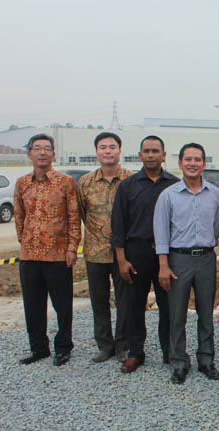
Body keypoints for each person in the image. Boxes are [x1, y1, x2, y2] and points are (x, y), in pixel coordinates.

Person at [154, 143, 219, 385]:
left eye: (197, 159)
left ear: (204, 164)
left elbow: (217, 226)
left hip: (205, 259)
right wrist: (163, 265)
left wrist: (207, 246)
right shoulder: (168, 196)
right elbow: (161, 232)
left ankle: (206, 360)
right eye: (188, 159)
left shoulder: (215, 194)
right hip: (178, 259)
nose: (193, 163)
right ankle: (179, 362)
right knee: (177, 314)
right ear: (180, 163)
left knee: (206, 312)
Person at [111, 135, 179, 373]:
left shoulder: (174, 185)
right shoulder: (127, 186)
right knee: (134, 306)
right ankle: (136, 352)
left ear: (163, 155)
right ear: (140, 155)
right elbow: (118, 225)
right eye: (146, 151)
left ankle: (170, 351)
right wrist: (121, 259)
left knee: (168, 306)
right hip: (135, 252)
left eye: (155, 151)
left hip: (167, 255)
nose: (151, 155)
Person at [14, 133, 81, 366]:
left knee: (62, 305)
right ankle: (38, 348)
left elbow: (74, 217)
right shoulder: (22, 183)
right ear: (29, 153)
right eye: (37, 148)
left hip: (58, 255)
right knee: (32, 304)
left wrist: (72, 248)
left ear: (53, 153)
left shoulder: (65, 182)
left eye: (47, 148)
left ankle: (63, 347)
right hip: (29, 255)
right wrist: (24, 241)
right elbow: (19, 215)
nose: (42, 152)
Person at [77, 132, 134, 364]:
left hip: (124, 255)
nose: (108, 151)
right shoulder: (85, 182)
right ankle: (104, 345)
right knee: (99, 301)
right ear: (97, 152)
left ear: (119, 151)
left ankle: (123, 345)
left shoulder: (131, 179)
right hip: (95, 252)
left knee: (125, 301)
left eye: (112, 146)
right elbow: (82, 214)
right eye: (103, 147)